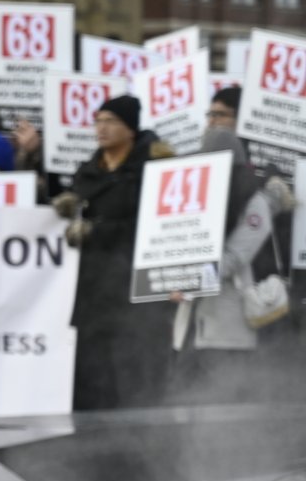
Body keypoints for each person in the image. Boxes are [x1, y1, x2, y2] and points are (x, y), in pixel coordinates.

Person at [53, 95, 174, 410]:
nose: (101, 128)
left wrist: (98, 230)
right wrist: (68, 203)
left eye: (111, 121)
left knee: (132, 386)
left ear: (130, 128)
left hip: (133, 298)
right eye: (98, 120)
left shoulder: (155, 168)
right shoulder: (88, 170)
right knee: (91, 384)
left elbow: (153, 226)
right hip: (93, 295)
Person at [166, 128, 296, 404]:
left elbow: (234, 257)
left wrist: (187, 279)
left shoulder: (255, 204)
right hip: (194, 324)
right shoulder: (202, 200)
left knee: (220, 409)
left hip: (228, 328)